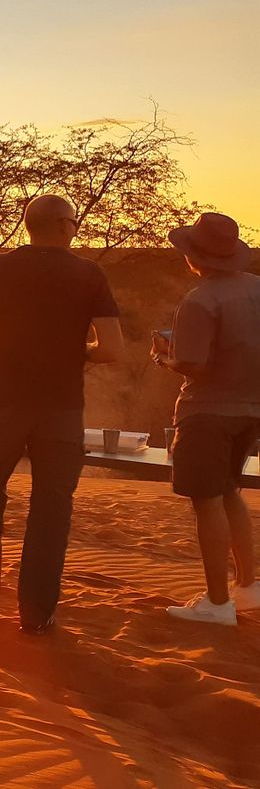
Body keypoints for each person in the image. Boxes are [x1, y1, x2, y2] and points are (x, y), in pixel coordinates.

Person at [0, 194, 123, 635]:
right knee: (52, 507)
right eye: (75, 223)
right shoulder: (89, 273)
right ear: (65, 226)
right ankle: (36, 613)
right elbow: (111, 348)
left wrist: (6, 339)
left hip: (3, 406)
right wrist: (74, 348)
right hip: (61, 410)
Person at [152, 212, 260, 625]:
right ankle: (247, 585)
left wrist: (165, 358)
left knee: (207, 502)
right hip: (251, 410)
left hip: (207, 412)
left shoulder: (200, 300)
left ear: (193, 256)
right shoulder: (256, 289)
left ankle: (217, 603)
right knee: (230, 491)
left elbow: (193, 365)